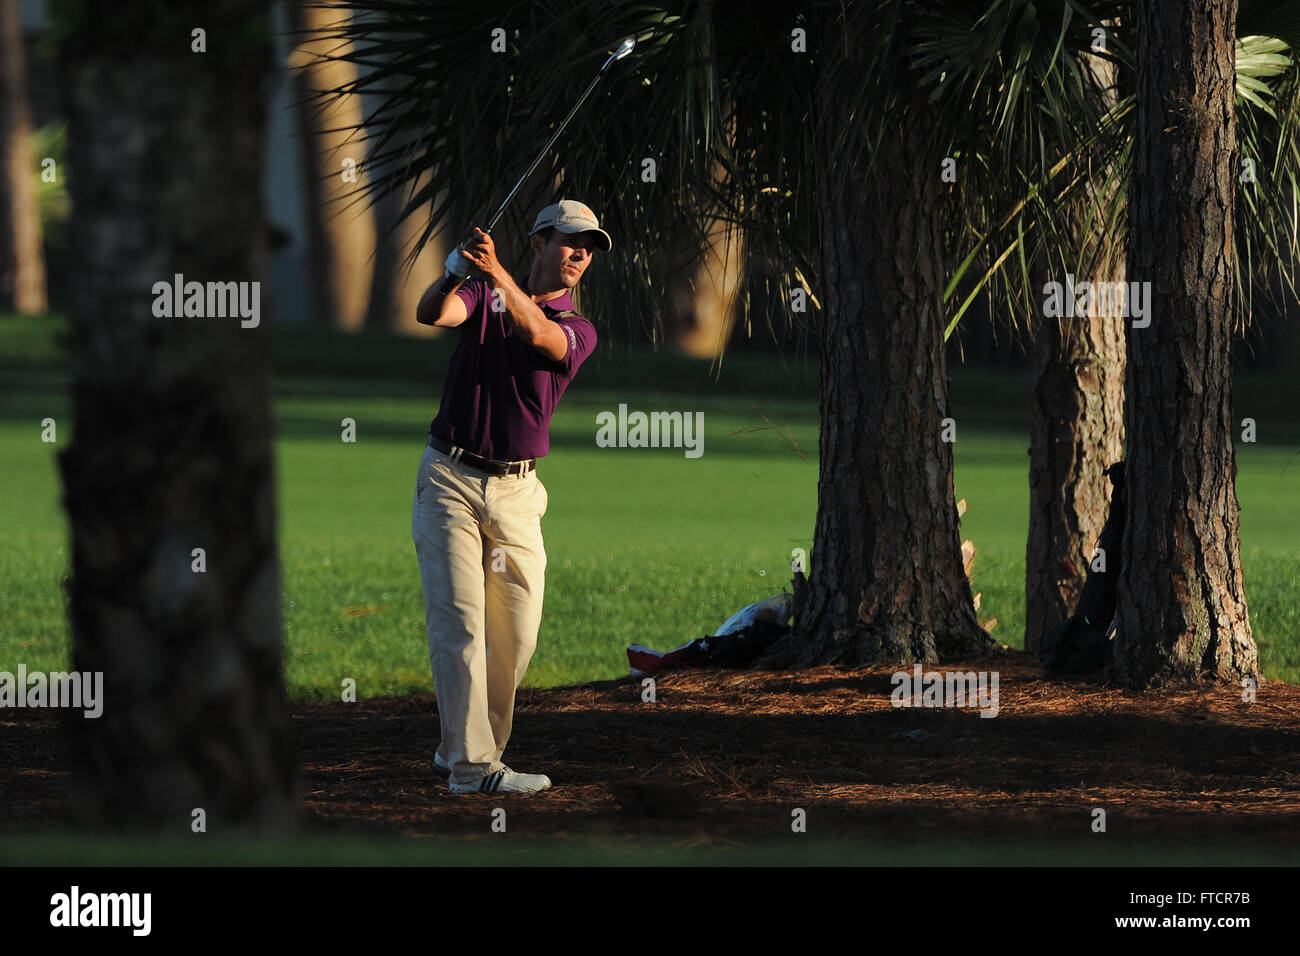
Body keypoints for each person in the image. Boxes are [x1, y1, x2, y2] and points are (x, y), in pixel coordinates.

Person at [411, 200, 606, 794]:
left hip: (519, 493)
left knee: (516, 638)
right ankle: (474, 771)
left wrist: (495, 275)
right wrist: (454, 273)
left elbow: (540, 335)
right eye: (569, 241)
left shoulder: (579, 328)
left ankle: (464, 752)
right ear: (538, 243)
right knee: (461, 625)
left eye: (588, 247)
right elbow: (434, 314)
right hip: (451, 478)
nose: (579, 254)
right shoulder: (483, 294)